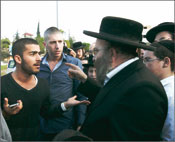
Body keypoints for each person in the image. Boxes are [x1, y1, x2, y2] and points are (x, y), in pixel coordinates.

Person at [65, 16, 168, 141]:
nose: (94, 58)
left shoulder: (144, 90)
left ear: (111, 54)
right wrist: (85, 80)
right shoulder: (127, 75)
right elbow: (111, 98)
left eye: (96, 51)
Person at [1, 38, 90, 141]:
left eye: (39, 53)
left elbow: (47, 112)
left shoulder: (42, 84)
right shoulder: (2, 84)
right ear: (18, 59)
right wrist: (5, 114)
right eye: (33, 54)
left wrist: (65, 105)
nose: (39, 58)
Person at [37, 27, 88, 141]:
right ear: (45, 44)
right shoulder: (38, 65)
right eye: (53, 42)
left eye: (60, 42)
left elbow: (81, 93)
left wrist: (81, 122)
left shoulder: (73, 63)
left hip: (66, 126)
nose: (57, 46)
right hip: (41, 127)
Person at [143, 40, 174, 141]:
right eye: (142, 60)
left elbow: (170, 137)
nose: (143, 65)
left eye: (147, 60)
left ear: (166, 62)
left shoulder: (169, 94)